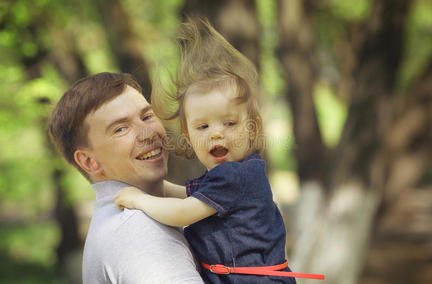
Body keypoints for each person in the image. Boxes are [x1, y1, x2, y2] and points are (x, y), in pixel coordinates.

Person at [114, 20, 324, 283]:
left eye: (230, 123)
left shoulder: (234, 176)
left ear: (252, 128)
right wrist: (163, 188)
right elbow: (195, 199)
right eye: (203, 126)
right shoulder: (233, 176)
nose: (216, 133)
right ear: (188, 136)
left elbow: (184, 212)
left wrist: (139, 200)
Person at [48, 72, 204, 284]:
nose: (148, 133)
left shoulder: (121, 220)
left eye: (147, 116)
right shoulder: (139, 231)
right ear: (89, 162)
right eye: (120, 129)